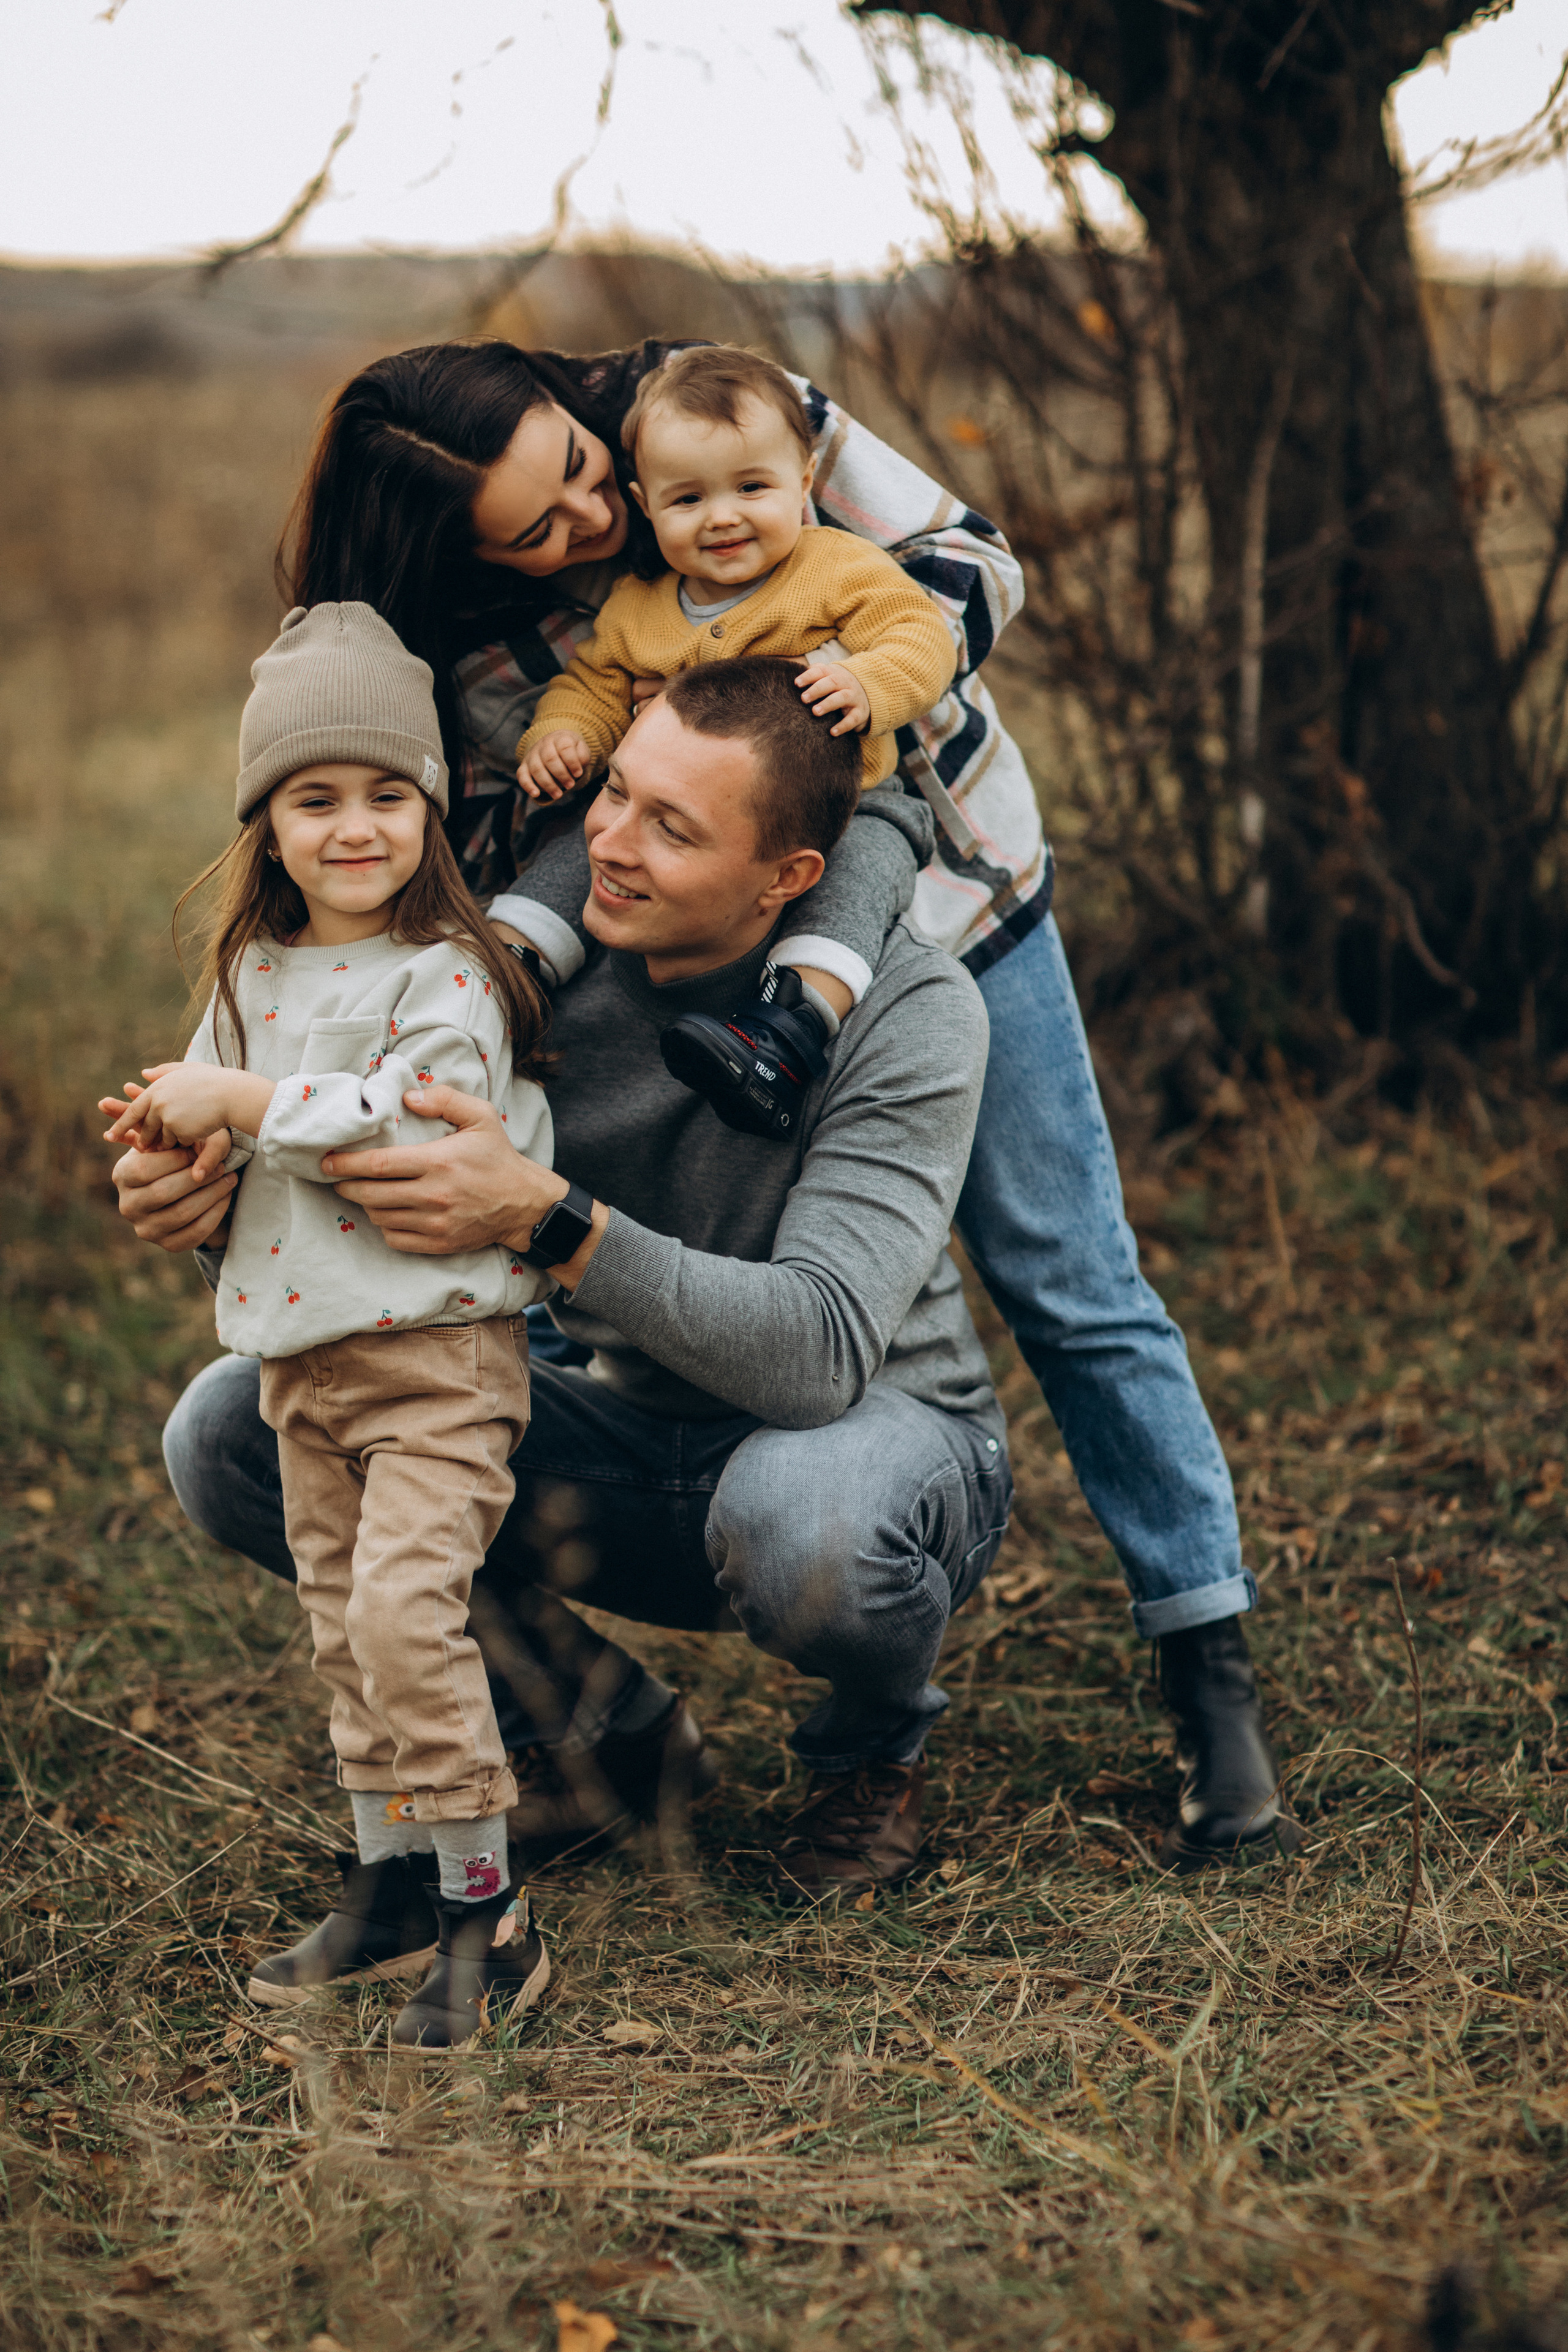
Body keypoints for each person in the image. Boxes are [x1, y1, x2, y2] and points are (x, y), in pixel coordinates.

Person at [122, 333, 1300, 1870]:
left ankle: (1207, 1682)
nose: (596, 524)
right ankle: (594, 1734)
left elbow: (966, 557)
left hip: (931, 881)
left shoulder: (714, 408)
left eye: (584, 478)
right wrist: (225, 1178)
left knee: (1067, 1276)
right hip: (686, 889)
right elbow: (436, 960)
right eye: (534, 536)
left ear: (580, 411)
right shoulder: (498, 654)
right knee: (271, 1411)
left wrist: (848, 670)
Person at [158, 659, 1016, 1912]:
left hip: (866, 1443)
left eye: (671, 828)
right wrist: (204, 1208)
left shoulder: (905, 1009)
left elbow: (819, 1356)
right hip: (613, 1428)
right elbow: (365, 1174)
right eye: (614, 794)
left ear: (789, 880)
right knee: (232, 1428)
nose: (606, 843)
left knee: (804, 1521)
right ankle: (602, 1731)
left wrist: (549, 1220)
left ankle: (867, 1756)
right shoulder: (524, 982)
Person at [102, 604, 557, 2051]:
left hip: (437, 1367)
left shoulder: (453, 981)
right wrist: (176, 1152)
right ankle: (393, 1879)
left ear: (430, 808)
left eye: (385, 796)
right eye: (316, 800)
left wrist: (234, 1106)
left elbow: (386, 1121)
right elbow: (230, 1155)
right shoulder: (247, 981)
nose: (353, 828)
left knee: (403, 1620)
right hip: (301, 1366)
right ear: (268, 824)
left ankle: (494, 1914)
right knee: (339, 1636)